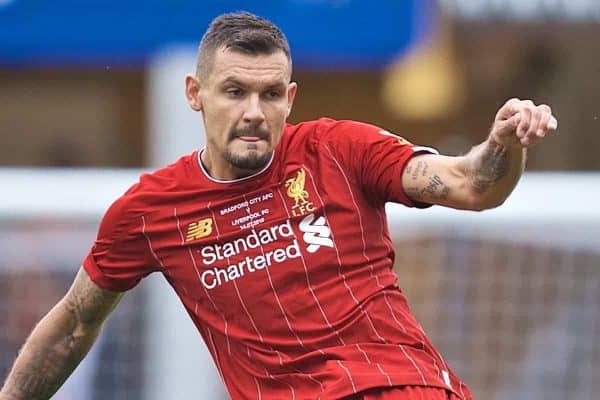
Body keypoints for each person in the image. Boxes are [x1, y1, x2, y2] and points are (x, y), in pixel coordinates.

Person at [0, 12, 557, 400]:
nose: (253, 112)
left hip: (402, 387)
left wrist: (500, 146)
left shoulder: (339, 149)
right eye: (234, 91)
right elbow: (75, 323)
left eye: (270, 95)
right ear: (196, 93)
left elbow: (471, 183)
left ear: (290, 97)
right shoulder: (149, 211)